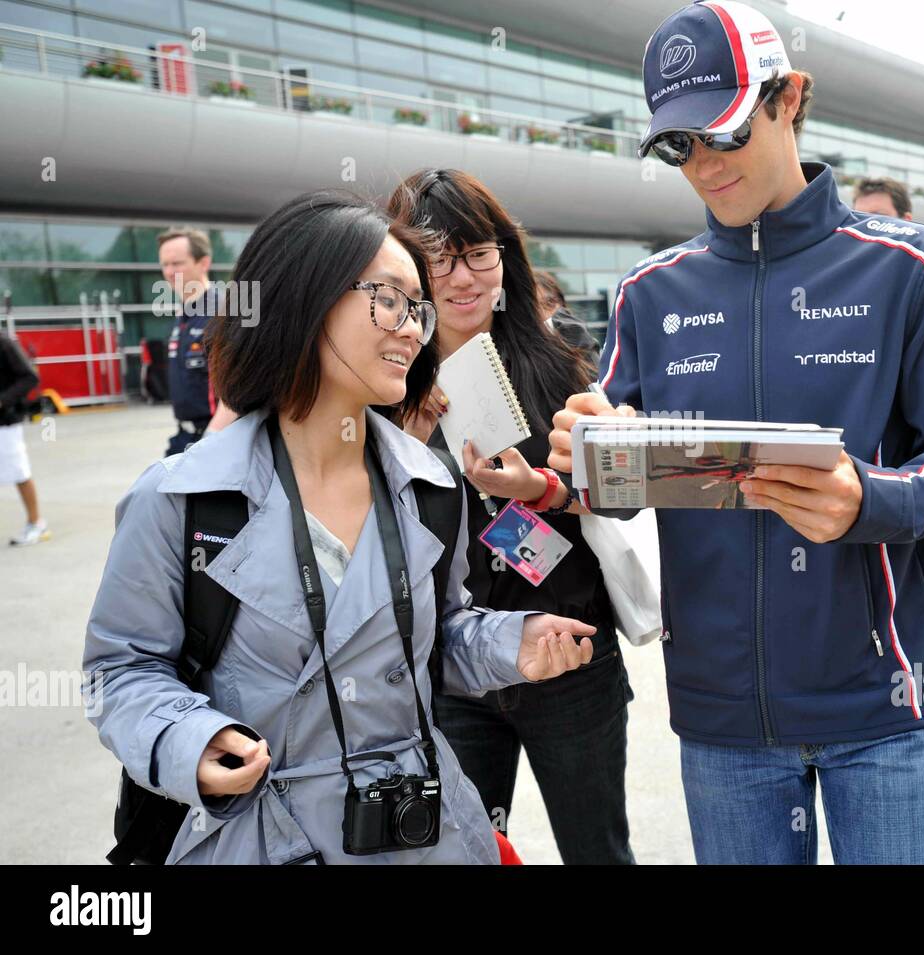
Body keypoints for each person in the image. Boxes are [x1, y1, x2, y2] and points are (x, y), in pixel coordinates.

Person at [549, 0, 924, 865]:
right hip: (721, 719)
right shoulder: (650, 291)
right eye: (681, 145)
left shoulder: (910, 265)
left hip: (882, 707)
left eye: (724, 134)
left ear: (788, 97)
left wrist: (863, 498)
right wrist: (585, 446)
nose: (705, 166)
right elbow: (605, 470)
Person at [84, 190, 595, 864]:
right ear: (306, 297)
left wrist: (514, 641)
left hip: (422, 830)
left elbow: (438, 638)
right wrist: (190, 740)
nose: (413, 327)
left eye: (418, 306)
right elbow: (122, 667)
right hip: (261, 836)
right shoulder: (185, 498)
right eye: (388, 298)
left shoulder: (430, 485)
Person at [387, 169, 636, 865]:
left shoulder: (560, 364)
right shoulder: (383, 381)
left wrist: (545, 488)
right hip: (455, 663)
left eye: (477, 253)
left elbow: (623, 495)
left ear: (504, 257)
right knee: (458, 853)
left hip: (568, 651)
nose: (461, 276)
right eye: (438, 257)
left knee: (598, 851)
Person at [158, 228, 219, 456]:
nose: (170, 272)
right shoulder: (180, 318)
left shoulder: (222, 314)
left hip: (215, 439)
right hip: (183, 438)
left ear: (203, 263)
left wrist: (212, 437)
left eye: (177, 263)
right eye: (165, 265)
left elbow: (236, 393)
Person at [0, 330, 48, 546]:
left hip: (6, 423)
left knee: (19, 472)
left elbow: (30, 377)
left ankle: (36, 523)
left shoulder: (4, 342)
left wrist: (3, 400)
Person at [535, 270, 600, 364]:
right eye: (533, 308)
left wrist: (581, 345)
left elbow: (597, 376)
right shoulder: (513, 357)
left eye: (549, 304)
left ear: (562, 306)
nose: (544, 314)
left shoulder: (581, 341)